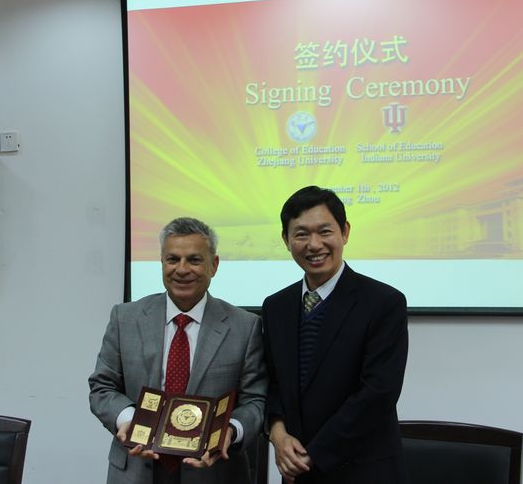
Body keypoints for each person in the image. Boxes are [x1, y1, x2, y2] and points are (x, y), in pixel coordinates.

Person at [89, 217, 267, 484]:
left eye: (194, 260)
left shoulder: (245, 326)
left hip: (212, 472)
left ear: (214, 265)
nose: (182, 269)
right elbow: (102, 387)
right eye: (173, 259)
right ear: (162, 262)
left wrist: (229, 430)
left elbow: (255, 401)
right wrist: (131, 420)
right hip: (136, 469)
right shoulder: (125, 318)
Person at [262, 186, 409, 484]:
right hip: (297, 471)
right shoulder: (275, 306)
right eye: (301, 234)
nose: (314, 244)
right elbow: (272, 384)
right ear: (286, 240)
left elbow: (378, 393)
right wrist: (278, 434)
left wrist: (314, 454)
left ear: (345, 232)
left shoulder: (384, 302)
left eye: (325, 231)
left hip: (364, 471)